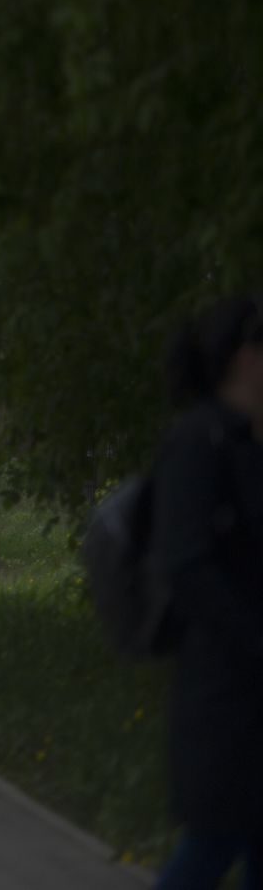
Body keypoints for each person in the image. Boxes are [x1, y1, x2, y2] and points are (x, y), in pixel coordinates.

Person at [151, 296, 263, 890]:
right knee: (210, 850)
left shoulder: (243, 442)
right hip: (221, 700)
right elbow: (189, 566)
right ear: (246, 357)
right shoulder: (198, 443)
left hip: (249, 700)